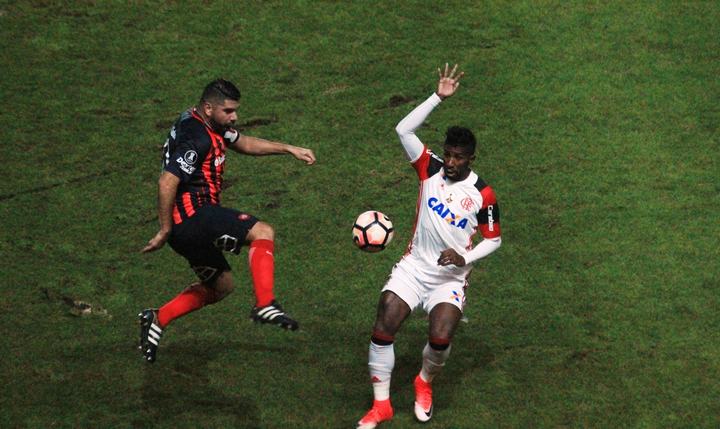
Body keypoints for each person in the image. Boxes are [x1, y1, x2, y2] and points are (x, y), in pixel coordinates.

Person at [357, 64, 502, 428]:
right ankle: (381, 405)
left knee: (440, 337)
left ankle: (424, 381)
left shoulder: (482, 194)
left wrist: (464, 256)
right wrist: (438, 97)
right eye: (448, 154)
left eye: (458, 157)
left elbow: (494, 239)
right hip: (414, 267)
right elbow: (402, 129)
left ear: (471, 159)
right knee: (384, 322)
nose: (450, 162)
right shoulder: (429, 168)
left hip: (450, 278)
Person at [139, 79, 316, 363]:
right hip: (194, 216)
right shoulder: (197, 137)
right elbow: (167, 181)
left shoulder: (204, 121)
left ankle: (158, 318)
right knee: (262, 232)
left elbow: (243, 142)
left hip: (188, 229)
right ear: (209, 108)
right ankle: (265, 304)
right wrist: (164, 229)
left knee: (221, 286)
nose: (234, 117)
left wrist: (288, 148)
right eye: (229, 111)